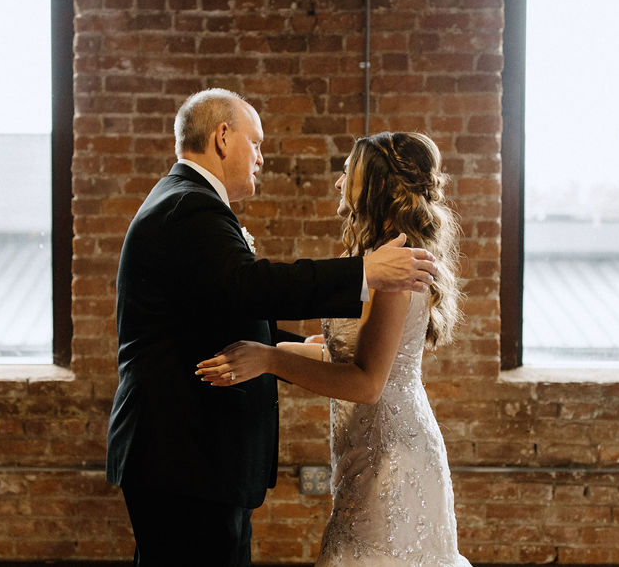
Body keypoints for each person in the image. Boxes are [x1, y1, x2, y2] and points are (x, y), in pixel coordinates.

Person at [105, 89, 439, 567]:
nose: (262, 158)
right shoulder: (190, 208)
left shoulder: (183, 200)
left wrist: (285, 350)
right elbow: (249, 286)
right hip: (186, 459)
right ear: (223, 138)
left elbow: (226, 311)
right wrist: (364, 273)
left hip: (194, 461)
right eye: (256, 143)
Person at [197, 131, 471, 566]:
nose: (338, 183)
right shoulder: (379, 257)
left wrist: (268, 359)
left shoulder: (395, 271)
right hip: (364, 451)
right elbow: (337, 354)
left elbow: (366, 383)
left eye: (347, 173)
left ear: (374, 185)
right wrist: (255, 349)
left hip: (392, 458)